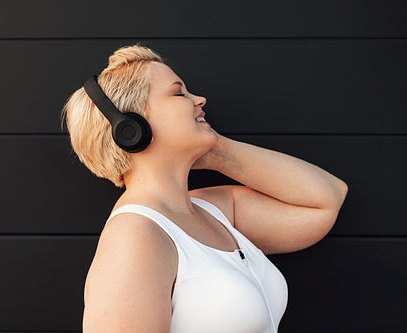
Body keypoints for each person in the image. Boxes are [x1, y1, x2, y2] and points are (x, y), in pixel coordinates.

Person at [61, 43, 348, 333]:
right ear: (130, 127)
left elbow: (327, 199)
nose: (199, 99)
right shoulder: (134, 238)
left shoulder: (215, 211)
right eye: (178, 92)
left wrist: (217, 151)